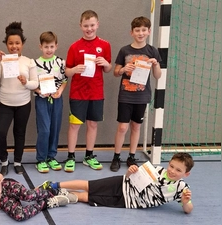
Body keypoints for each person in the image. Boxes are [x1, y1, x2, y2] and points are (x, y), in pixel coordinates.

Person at [38, 152, 194, 214]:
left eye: (178, 170)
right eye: (172, 166)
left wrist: (186, 203)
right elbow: (131, 177)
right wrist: (130, 172)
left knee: (87, 198)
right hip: (121, 183)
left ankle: (58, 196)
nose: (172, 171)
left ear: (186, 174)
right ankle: (54, 185)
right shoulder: (157, 170)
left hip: (127, 201)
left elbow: (188, 210)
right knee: (88, 185)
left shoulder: (182, 189)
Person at [110, 16, 162, 172]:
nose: (140, 33)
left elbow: (157, 75)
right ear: (131, 32)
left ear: (149, 31)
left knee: (136, 127)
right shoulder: (125, 50)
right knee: (122, 128)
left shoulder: (152, 51)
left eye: (144, 30)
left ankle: (131, 156)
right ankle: (116, 156)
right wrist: (123, 70)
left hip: (142, 96)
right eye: (137, 30)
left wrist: (156, 63)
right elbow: (115, 72)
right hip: (126, 95)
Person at [64, 10, 112, 172]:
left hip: (96, 93)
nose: (89, 29)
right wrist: (74, 69)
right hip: (78, 93)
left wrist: (105, 63)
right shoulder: (74, 47)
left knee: (92, 124)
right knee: (75, 125)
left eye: (92, 25)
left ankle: (89, 156)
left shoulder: (105, 45)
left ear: (97, 25)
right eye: (86, 26)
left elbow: (108, 69)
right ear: (80, 26)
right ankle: (71, 156)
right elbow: (66, 71)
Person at [0, 21, 38, 175]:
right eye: (11, 43)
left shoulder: (29, 61)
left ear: (22, 44)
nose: (14, 46)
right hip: (6, 104)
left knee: (19, 133)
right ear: (6, 44)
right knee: (0, 132)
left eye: (17, 43)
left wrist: (26, 82)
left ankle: (17, 162)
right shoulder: (2, 60)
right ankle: (4, 161)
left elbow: (35, 83)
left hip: (24, 104)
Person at [33, 31, 67, 173]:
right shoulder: (34, 64)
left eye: (51, 46)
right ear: (40, 47)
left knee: (54, 128)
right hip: (42, 100)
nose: (49, 50)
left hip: (57, 99)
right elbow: (32, 84)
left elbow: (64, 80)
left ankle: (51, 157)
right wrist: (39, 91)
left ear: (56, 46)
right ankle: (41, 159)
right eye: (46, 47)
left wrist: (60, 92)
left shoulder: (60, 62)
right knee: (44, 129)